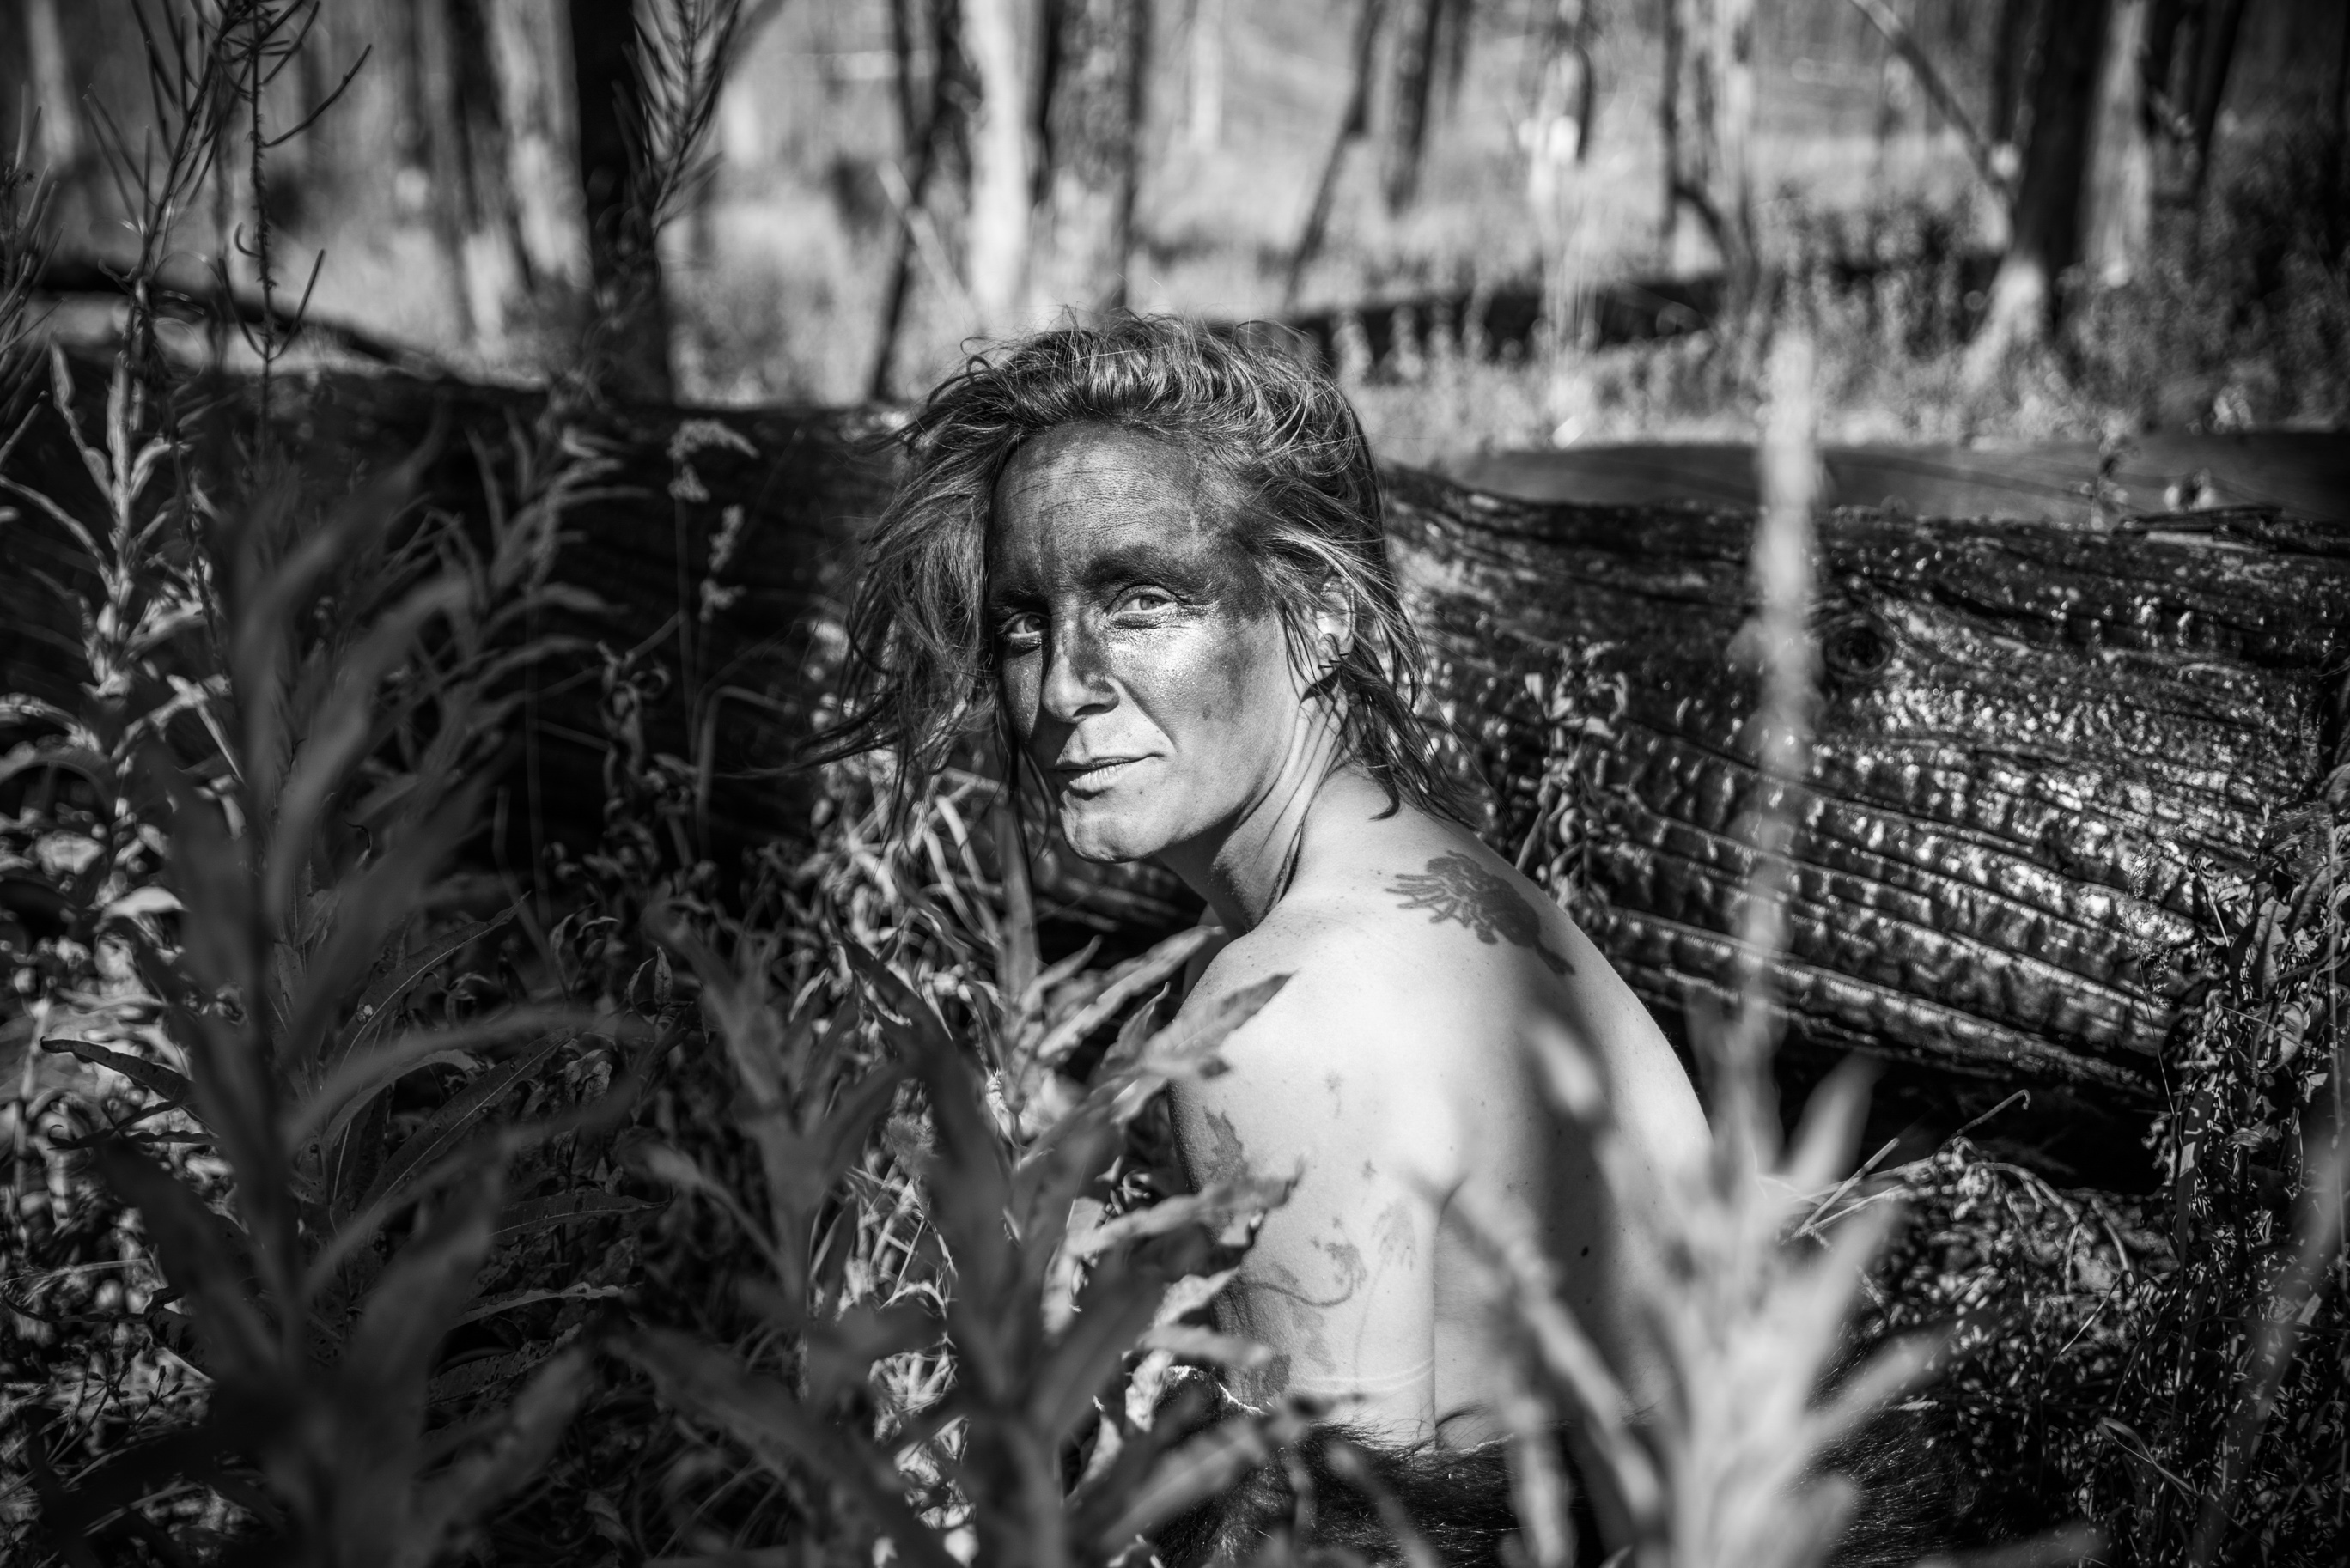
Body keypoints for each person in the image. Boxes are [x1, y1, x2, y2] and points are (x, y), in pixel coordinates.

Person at [829, 314, 1712, 1565]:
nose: (1064, 683)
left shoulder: (1288, 1018)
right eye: (1026, 619)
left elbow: (1334, 1547)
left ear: (1320, 615)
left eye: (1141, 600)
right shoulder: (1431, 885)